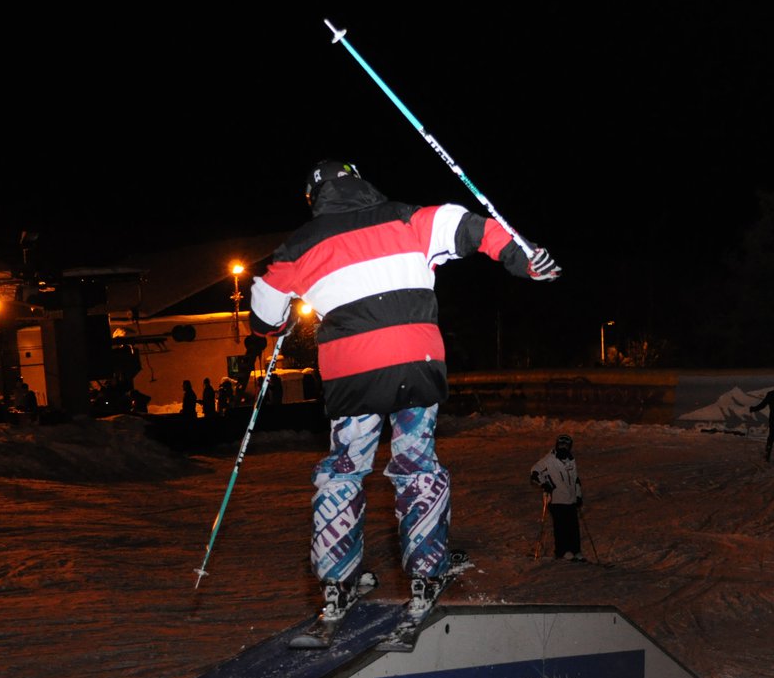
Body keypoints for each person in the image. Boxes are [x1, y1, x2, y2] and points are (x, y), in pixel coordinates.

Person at [250, 158, 560, 622]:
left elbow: (263, 312)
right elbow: (470, 226)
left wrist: (280, 319)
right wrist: (525, 259)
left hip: (352, 373)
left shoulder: (297, 246)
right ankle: (426, 570)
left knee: (345, 468)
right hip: (417, 363)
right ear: (361, 182)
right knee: (416, 462)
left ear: (313, 199)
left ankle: (338, 580)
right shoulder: (408, 217)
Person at [530, 434, 585, 561]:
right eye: (561, 445)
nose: (563, 448)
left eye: (566, 445)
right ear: (557, 445)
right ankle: (562, 551)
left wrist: (578, 495)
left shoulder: (571, 460)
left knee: (573, 526)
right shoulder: (549, 460)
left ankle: (575, 550)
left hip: (570, 499)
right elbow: (535, 471)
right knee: (561, 526)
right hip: (556, 499)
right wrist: (544, 484)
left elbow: (575, 479)